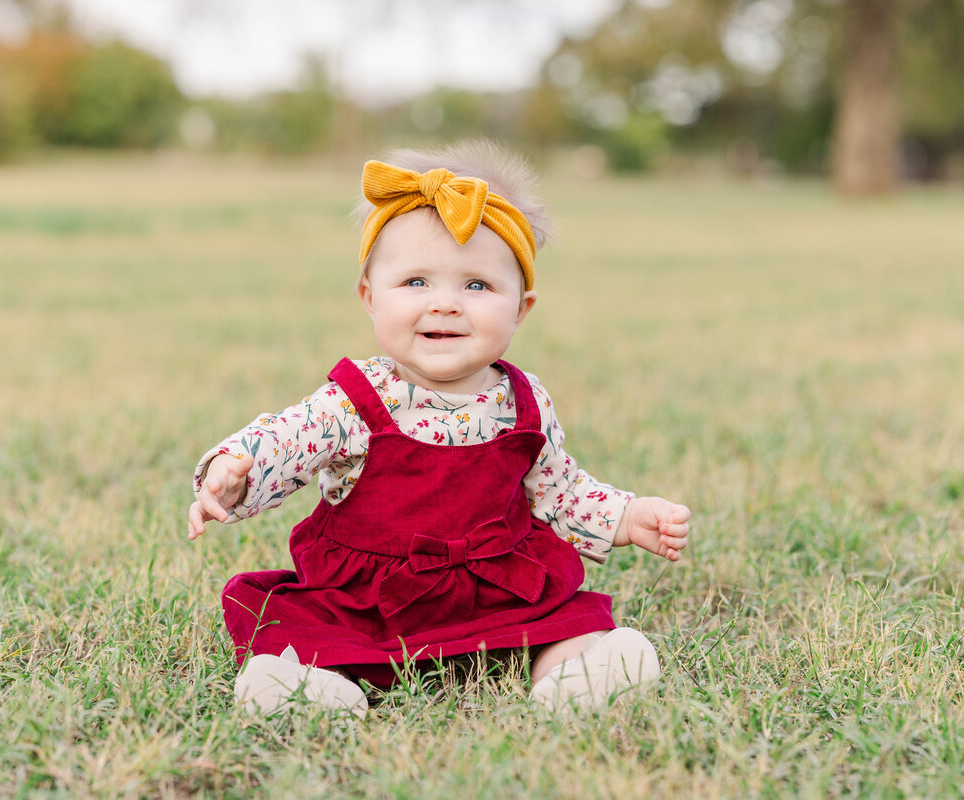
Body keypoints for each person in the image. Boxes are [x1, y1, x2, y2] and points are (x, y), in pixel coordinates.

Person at [187, 140, 691, 716]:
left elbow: (561, 489)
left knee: (563, 623)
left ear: (520, 309)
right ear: (370, 298)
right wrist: (233, 472)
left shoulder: (524, 402)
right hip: (372, 599)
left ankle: (576, 678)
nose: (446, 304)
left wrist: (627, 516)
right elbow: (285, 442)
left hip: (497, 590)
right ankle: (314, 688)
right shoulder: (353, 401)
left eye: (477, 286)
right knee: (308, 630)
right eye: (416, 283)